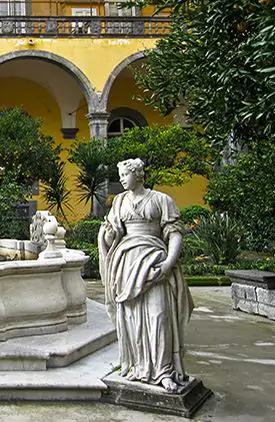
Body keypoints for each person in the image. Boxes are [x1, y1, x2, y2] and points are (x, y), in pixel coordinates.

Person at [98, 158, 193, 392]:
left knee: (159, 317)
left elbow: (174, 233)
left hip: (155, 262)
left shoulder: (161, 199)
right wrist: (105, 236)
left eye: (125, 174)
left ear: (138, 175)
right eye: (119, 174)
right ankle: (136, 366)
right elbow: (112, 236)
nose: (121, 178)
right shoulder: (119, 202)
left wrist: (169, 262)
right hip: (127, 264)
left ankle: (163, 370)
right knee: (131, 319)